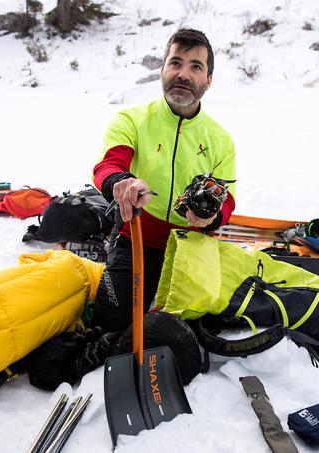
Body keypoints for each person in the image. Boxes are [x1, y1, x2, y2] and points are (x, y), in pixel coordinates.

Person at [91, 28, 237, 331]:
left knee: (193, 330)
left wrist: (209, 218)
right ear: (163, 70)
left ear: (208, 80)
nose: (183, 74)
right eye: (175, 63)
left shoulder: (221, 140)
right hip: (136, 238)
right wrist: (123, 182)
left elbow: (229, 199)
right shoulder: (131, 120)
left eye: (196, 67)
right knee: (113, 322)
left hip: (192, 246)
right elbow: (108, 166)